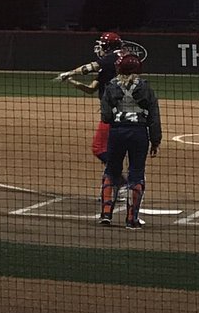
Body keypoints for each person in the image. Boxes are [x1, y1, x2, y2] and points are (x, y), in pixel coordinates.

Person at [98, 52, 161, 228]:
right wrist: (155, 140)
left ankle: (106, 214)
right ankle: (132, 219)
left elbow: (105, 115)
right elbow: (154, 116)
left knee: (111, 170)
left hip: (117, 132)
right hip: (139, 134)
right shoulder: (145, 87)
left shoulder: (111, 86)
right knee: (136, 173)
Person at [54, 32, 124, 166]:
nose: (100, 49)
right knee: (115, 148)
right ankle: (121, 177)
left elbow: (89, 68)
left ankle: (119, 177)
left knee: (99, 148)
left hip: (114, 113)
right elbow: (91, 89)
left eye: (102, 46)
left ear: (108, 47)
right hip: (125, 111)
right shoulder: (114, 62)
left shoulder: (111, 59)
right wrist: (71, 81)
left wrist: (70, 72)